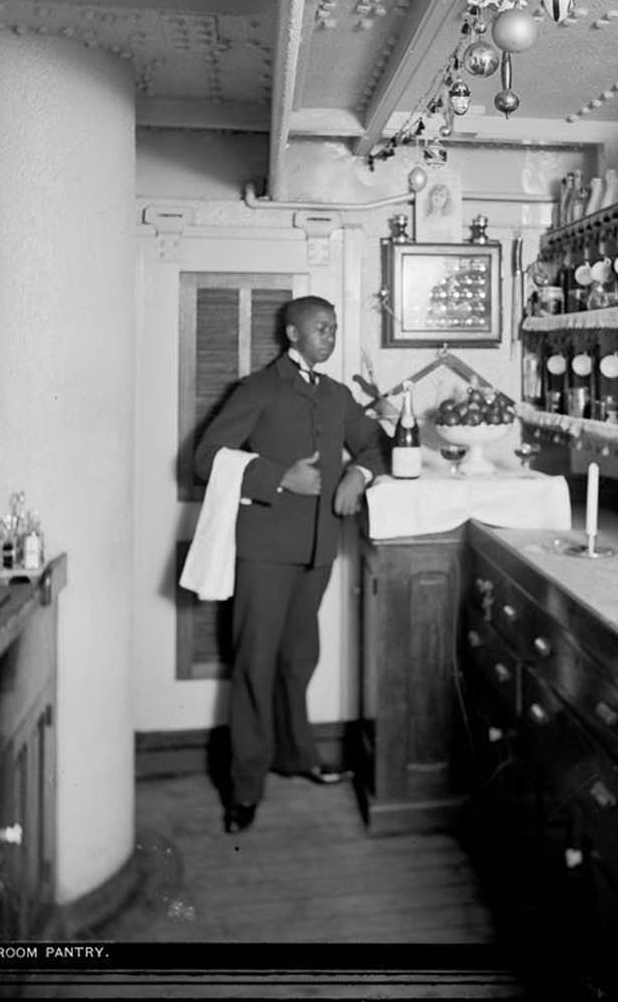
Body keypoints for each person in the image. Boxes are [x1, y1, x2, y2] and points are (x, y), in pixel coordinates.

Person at [192, 295, 389, 833]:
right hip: (263, 550)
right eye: (321, 328)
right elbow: (205, 457)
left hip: (319, 549)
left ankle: (296, 756)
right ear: (293, 333)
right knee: (255, 664)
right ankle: (245, 786)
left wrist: (357, 476)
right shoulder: (259, 388)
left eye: (334, 328)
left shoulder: (336, 395)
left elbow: (375, 447)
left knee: (299, 659)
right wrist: (278, 476)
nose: (330, 336)